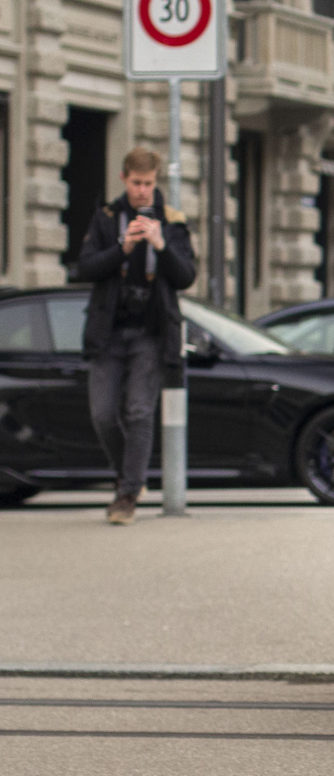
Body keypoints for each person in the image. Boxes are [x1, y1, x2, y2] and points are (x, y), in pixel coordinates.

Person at [70, 149, 197, 524]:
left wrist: (160, 244)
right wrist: (122, 249)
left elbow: (186, 276)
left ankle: (126, 496)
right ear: (124, 179)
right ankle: (128, 474)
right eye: (137, 183)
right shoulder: (107, 218)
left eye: (149, 183)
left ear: (156, 181)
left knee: (139, 411)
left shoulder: (172, 222)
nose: (143, 191)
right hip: (108, 330)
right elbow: (86, 267)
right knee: (103, 414)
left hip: (151, 331)